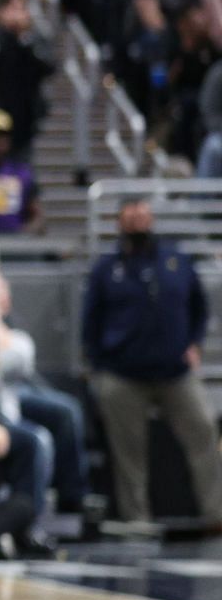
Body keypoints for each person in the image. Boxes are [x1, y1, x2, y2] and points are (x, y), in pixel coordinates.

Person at [82, 198, 222, 527]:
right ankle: (137, 520)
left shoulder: (175, 259)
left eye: (142, 215)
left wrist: (195, 343)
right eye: (130, 217)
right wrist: (100, 367)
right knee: (129, 452)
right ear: (119, 222)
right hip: (123, 374)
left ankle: (216, 513)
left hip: (175, 371)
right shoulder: (107, 268)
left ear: (152, 219)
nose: (137, 222)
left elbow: (199, 307)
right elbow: (90, 323)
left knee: (204, 428)